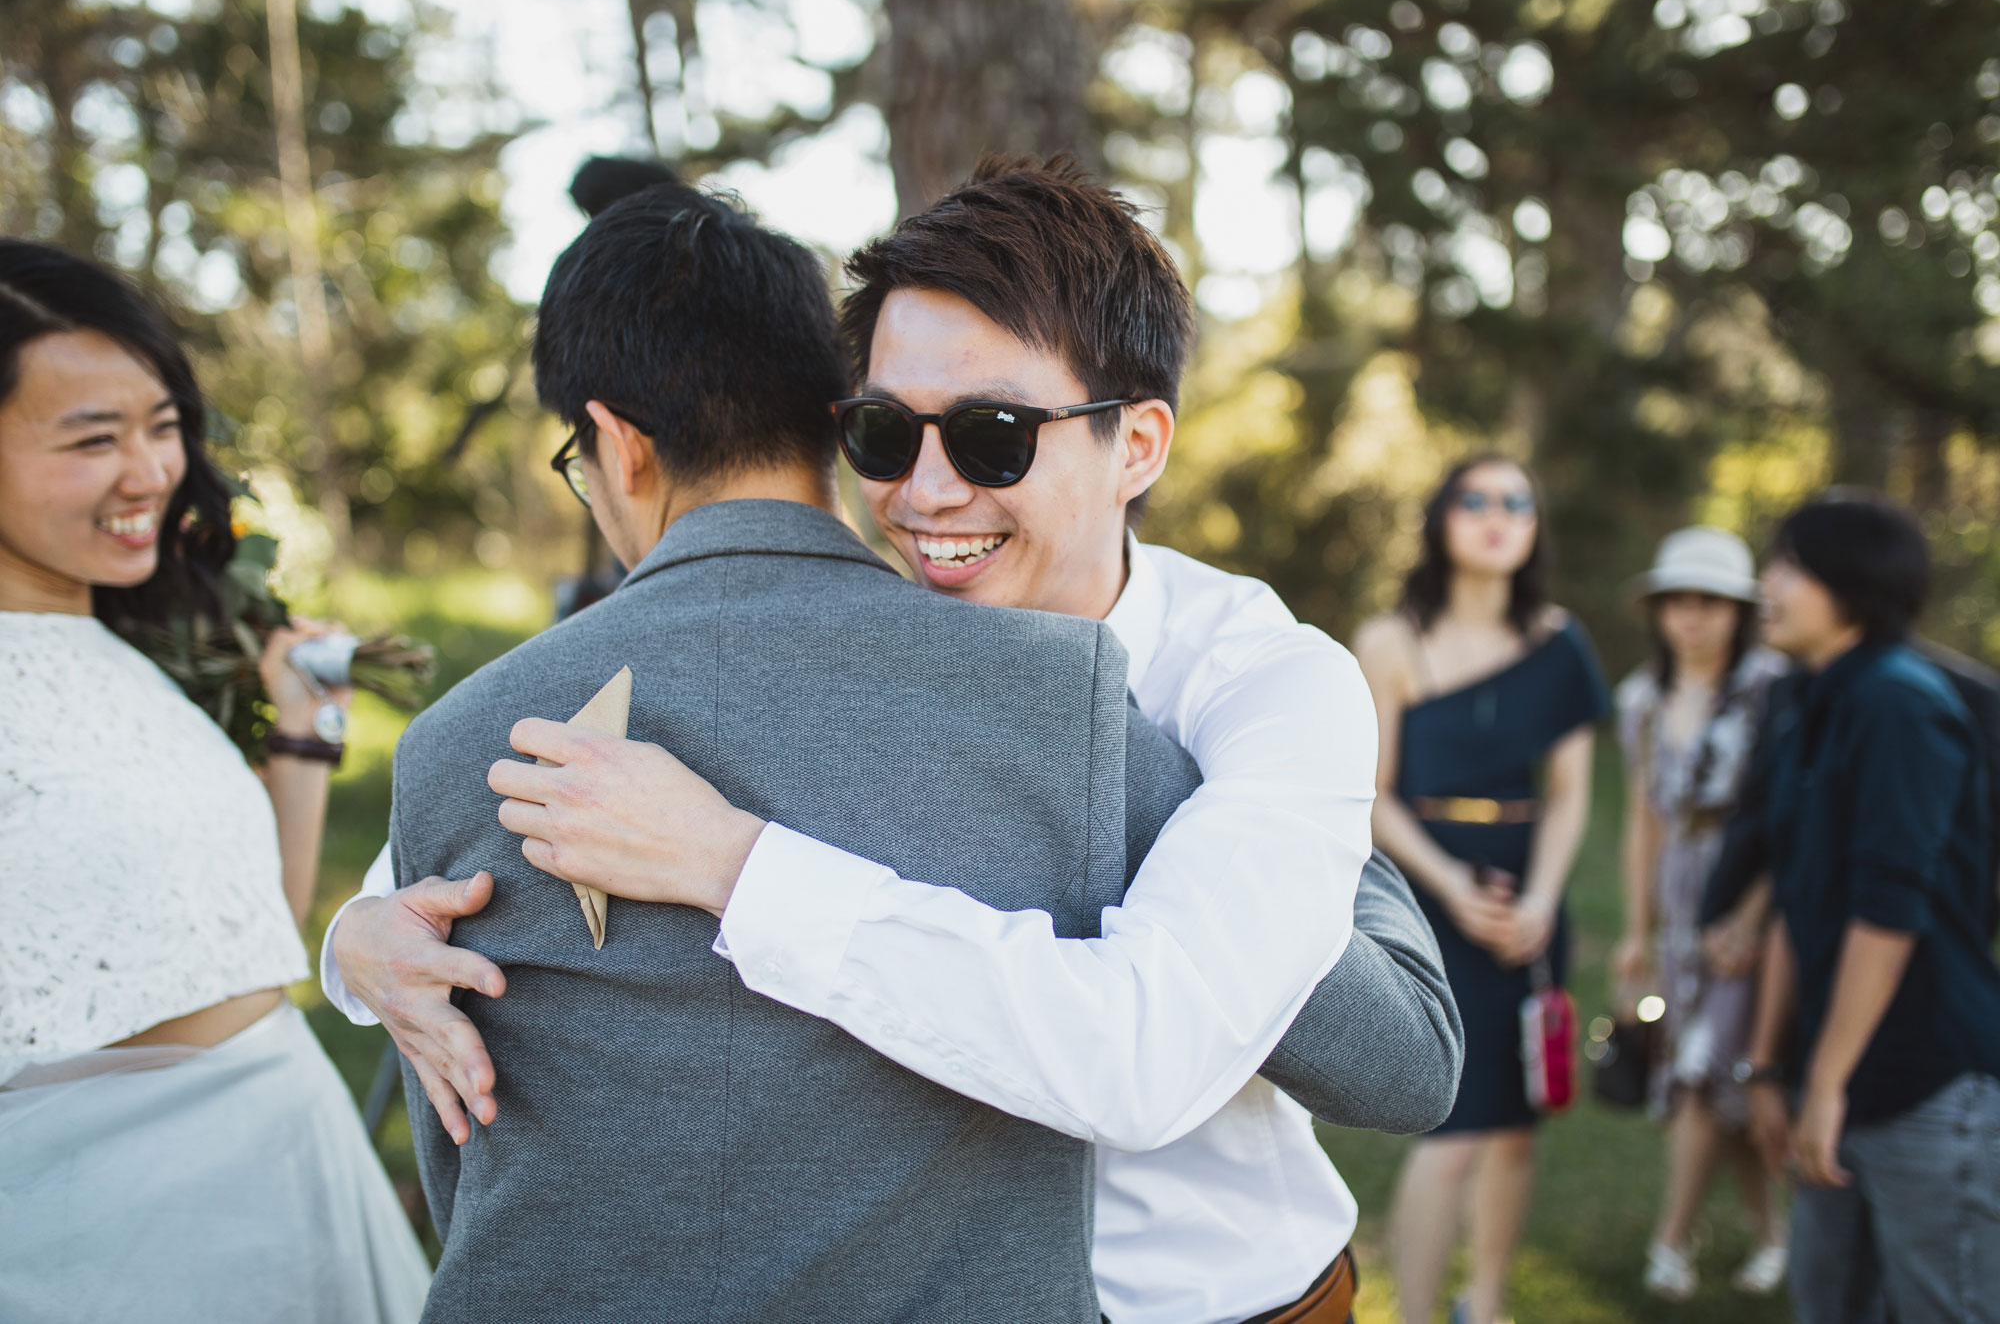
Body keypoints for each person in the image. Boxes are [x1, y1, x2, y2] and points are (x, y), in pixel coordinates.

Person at [327, 157, 1465, 1324]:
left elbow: (1173, 1059)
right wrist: (360, 941)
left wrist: (729, 862)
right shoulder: (861, 629)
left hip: (1220, 1301)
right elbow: (471, 845)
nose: (923, 495)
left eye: (991, 435)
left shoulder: (1258, 684)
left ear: (1136, 444)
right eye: (879, 432)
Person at [0, 241, 429, 1321]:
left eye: (160, 426)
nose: (149, 470)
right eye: (93, 438)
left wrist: (298, 736)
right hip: (98, 1234)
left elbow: (250, 935)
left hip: (287, 1160)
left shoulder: (128, 656)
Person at [1725, 491, 2000, 1324]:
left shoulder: (1900, 703)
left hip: (1925, 1083)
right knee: (1829, 1301)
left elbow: (1888, 911)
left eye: (1789, 566)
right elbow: (1795, 897)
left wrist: (1828, 1083)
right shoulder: (1806, 698)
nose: (1765, 583)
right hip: (1830, 1079)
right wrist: (1772, 1068)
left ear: (1856, 582)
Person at [1354, 455, 1609, 1324]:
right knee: (1455, 1132)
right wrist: (1455, 887)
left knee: (1515, 1128)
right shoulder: (1390, 641)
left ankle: (1488, 1304)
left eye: (1517, 502)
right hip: (1434, 898)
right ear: (1441, 518)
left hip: (1529, 903)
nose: (1497, 516)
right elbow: (1373, 795)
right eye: (1475, 499)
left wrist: (1539, 900)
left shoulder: (1559, 640)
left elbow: (1571, 792)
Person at [1610, 527, 1791, 1300]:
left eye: (1711, 602)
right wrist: (1637, 930)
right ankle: (1778, 1235)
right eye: (1678, 601)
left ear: (1739, 610)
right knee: (1722, 1085)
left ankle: (1670, 1241)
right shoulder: (1641, 701)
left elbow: (1791, 811)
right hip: (1682, 897)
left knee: (1700, 1071)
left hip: (1753, 887)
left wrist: (1751, 914)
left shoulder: (1775, 687)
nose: (1692, 617)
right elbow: (1643, 821)